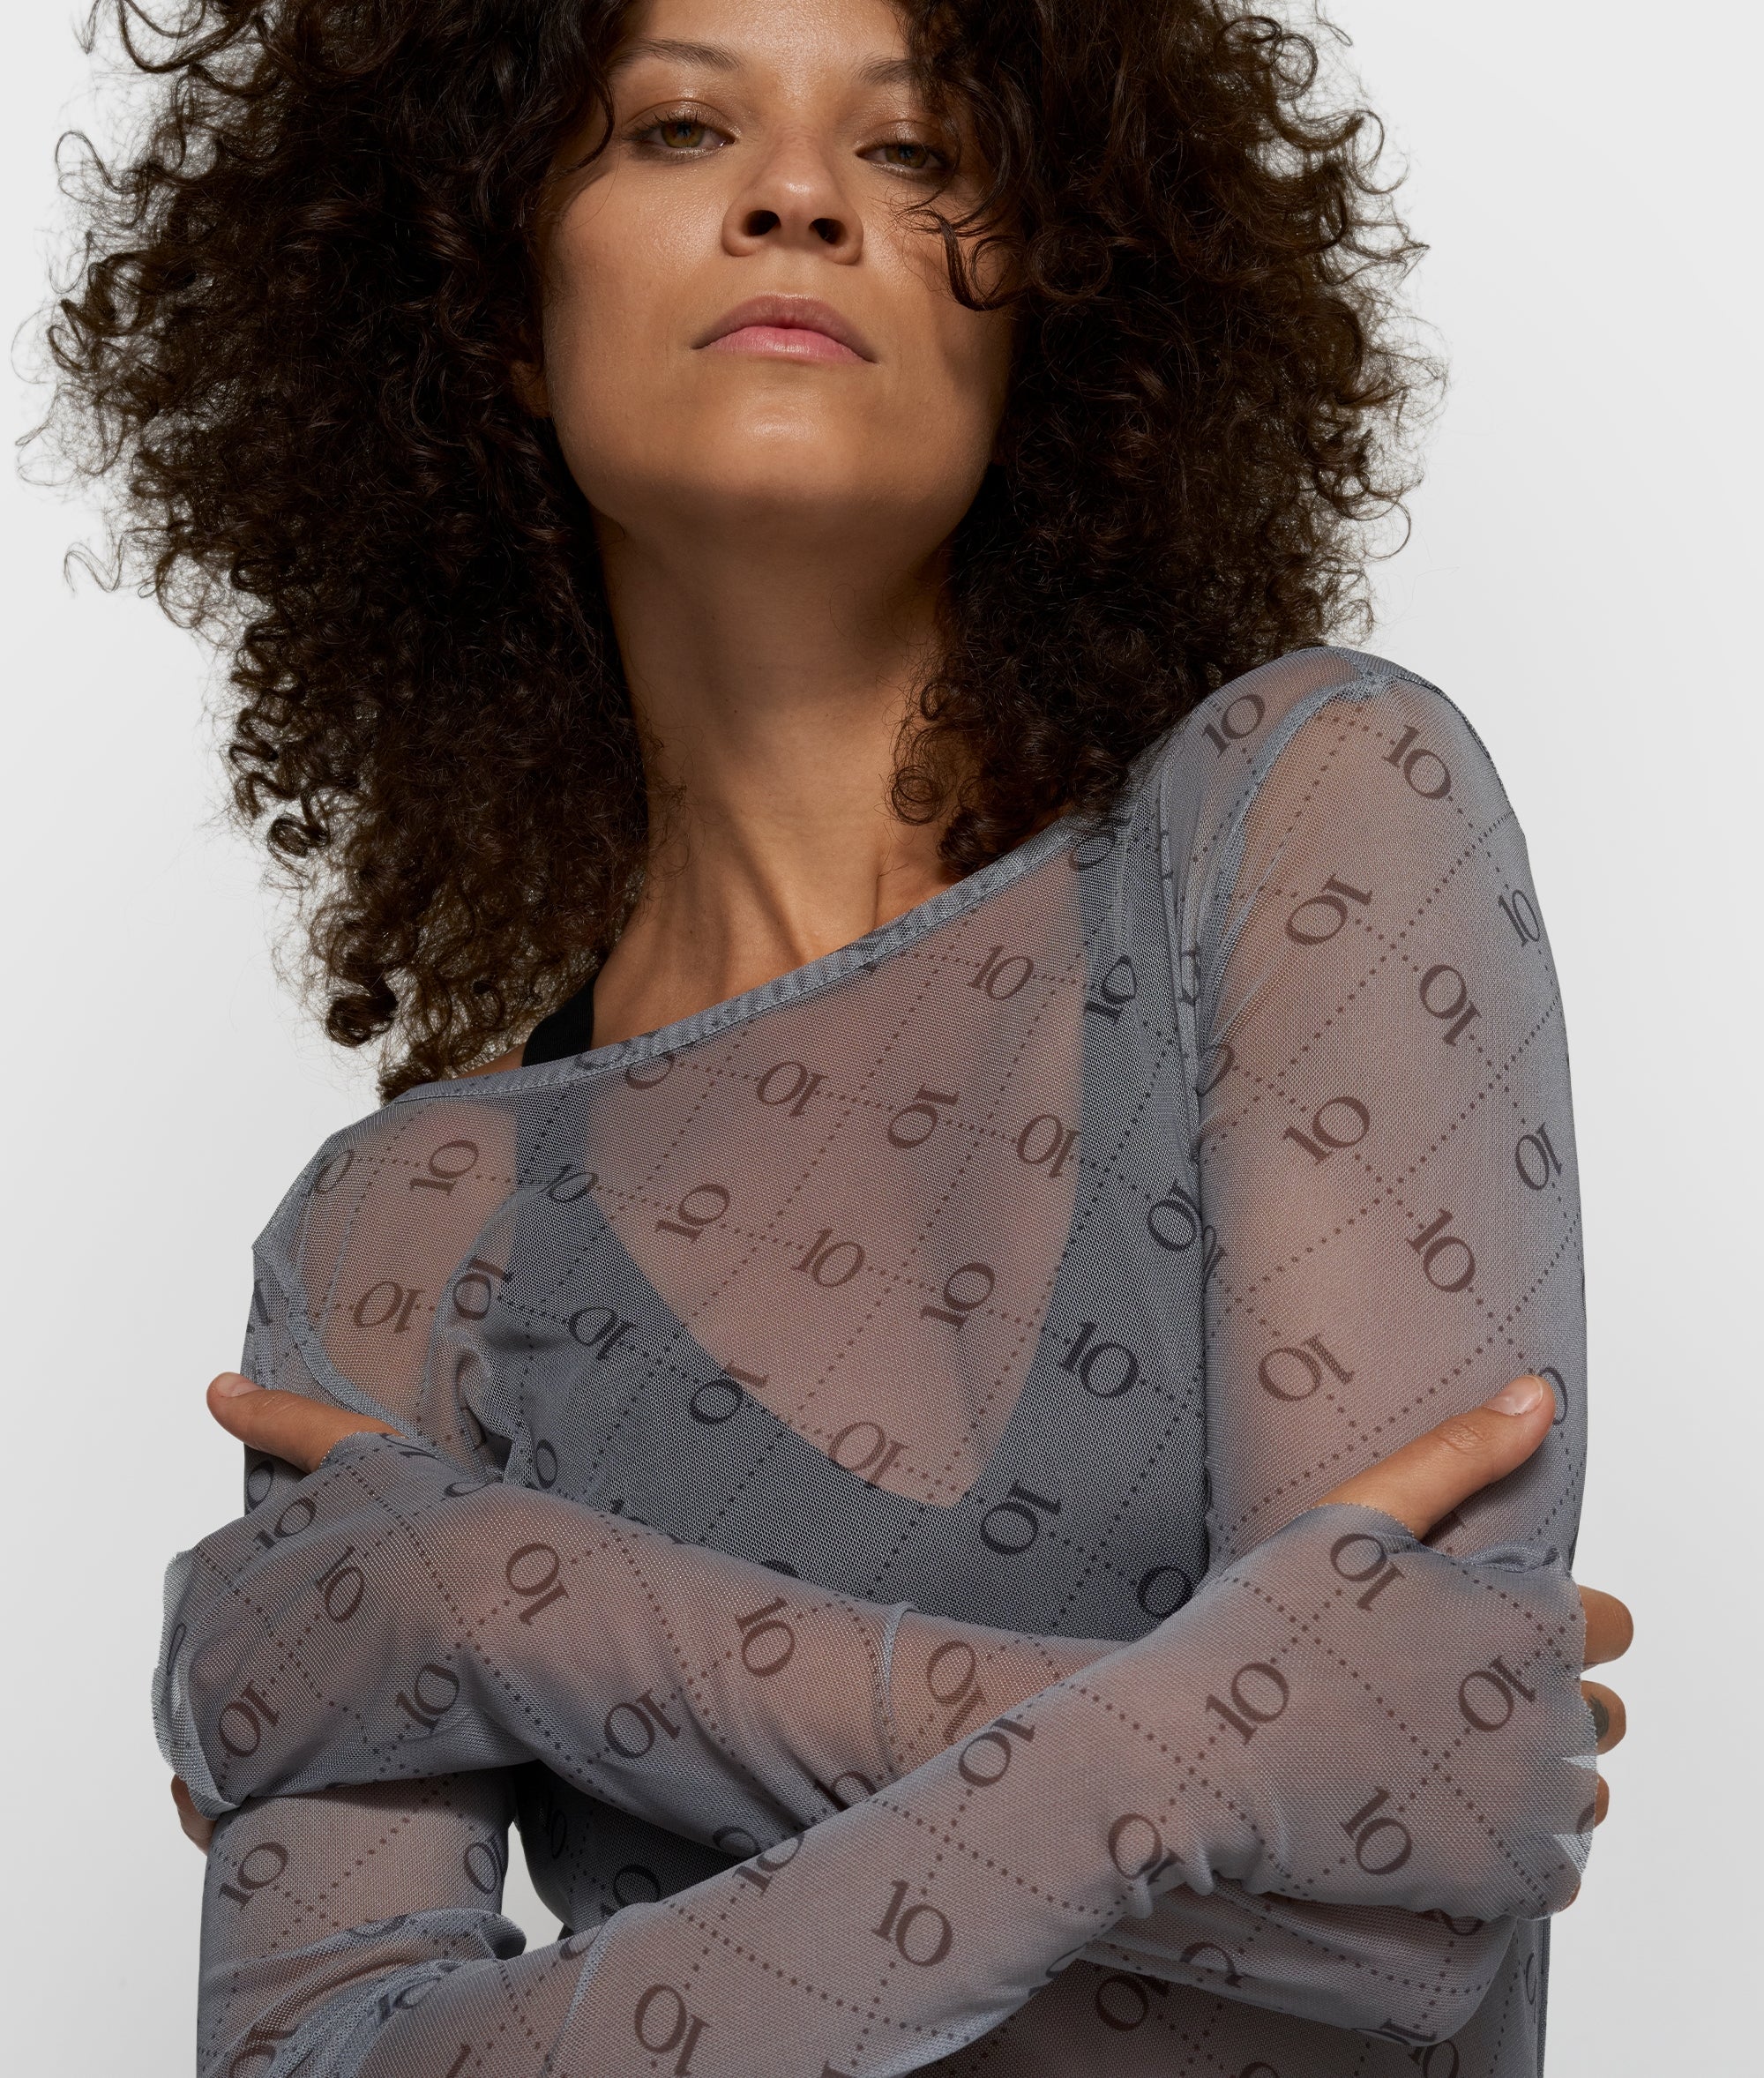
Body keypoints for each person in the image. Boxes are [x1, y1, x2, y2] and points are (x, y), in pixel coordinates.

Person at [45, 2, 1631, 2073]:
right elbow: (312, 2061)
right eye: (677, 125)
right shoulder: (408, 1231)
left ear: (1055, 306)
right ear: (496, 306)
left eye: (913, 149)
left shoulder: (1314, 817)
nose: (798, 193)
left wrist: (497, 1608)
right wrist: (1232, 1736)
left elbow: (1402, 1920)